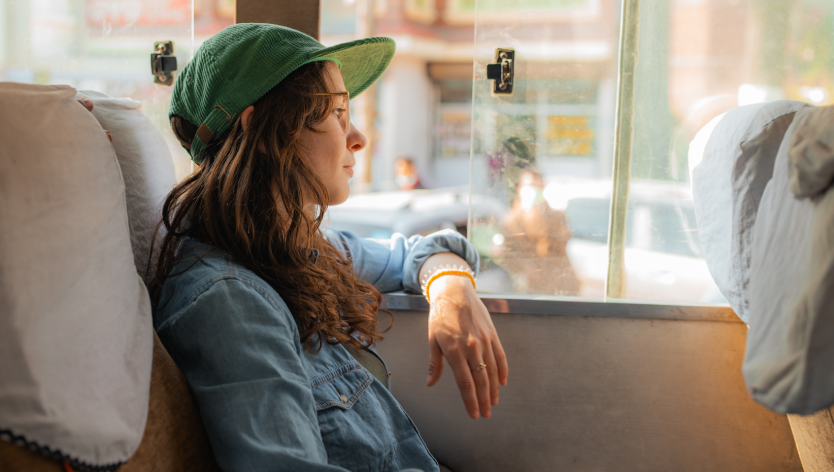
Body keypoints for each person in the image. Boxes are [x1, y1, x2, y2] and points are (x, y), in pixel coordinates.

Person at [148, 23, 508, 472]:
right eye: (336, 113)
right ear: (263, 128)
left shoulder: (295, 250)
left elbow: (411, 252)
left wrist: (450, 284)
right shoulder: (229, 300)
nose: (358, 136)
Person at [493, 168, 581, 296]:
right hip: (533, 290)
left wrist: (542, 218)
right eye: (529, 186)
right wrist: (526, 268)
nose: (533, 191)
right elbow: (509, 255)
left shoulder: (557, 216)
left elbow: (561, 244)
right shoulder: (511, 221)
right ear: (519, 188)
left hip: (562, 285)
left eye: (538, 187)